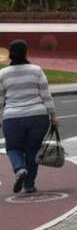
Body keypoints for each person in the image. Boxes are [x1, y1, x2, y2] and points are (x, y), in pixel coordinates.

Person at [0, 40, 57, 193]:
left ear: (10, 53)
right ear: (26, 52)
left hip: (12, 117)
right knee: (33, 150)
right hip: (38, 116)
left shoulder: (3, 74)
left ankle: (19, 169)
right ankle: (29, 185)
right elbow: (46, 95)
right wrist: (53, 116)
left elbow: (0, 99)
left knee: (12, 148)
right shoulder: (36, 70)